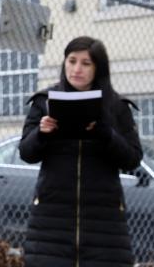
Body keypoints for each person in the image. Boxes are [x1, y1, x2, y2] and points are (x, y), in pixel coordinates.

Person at [19, 36, 142, 267]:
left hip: (104, 223)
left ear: (98, 68)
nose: (77, 69)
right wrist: (42, 133)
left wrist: (107, 134)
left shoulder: (117, 107)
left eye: (86, 63)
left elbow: (132, 159)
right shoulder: (44, 102)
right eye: (72, 61)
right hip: (51, 219)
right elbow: (26, 153)